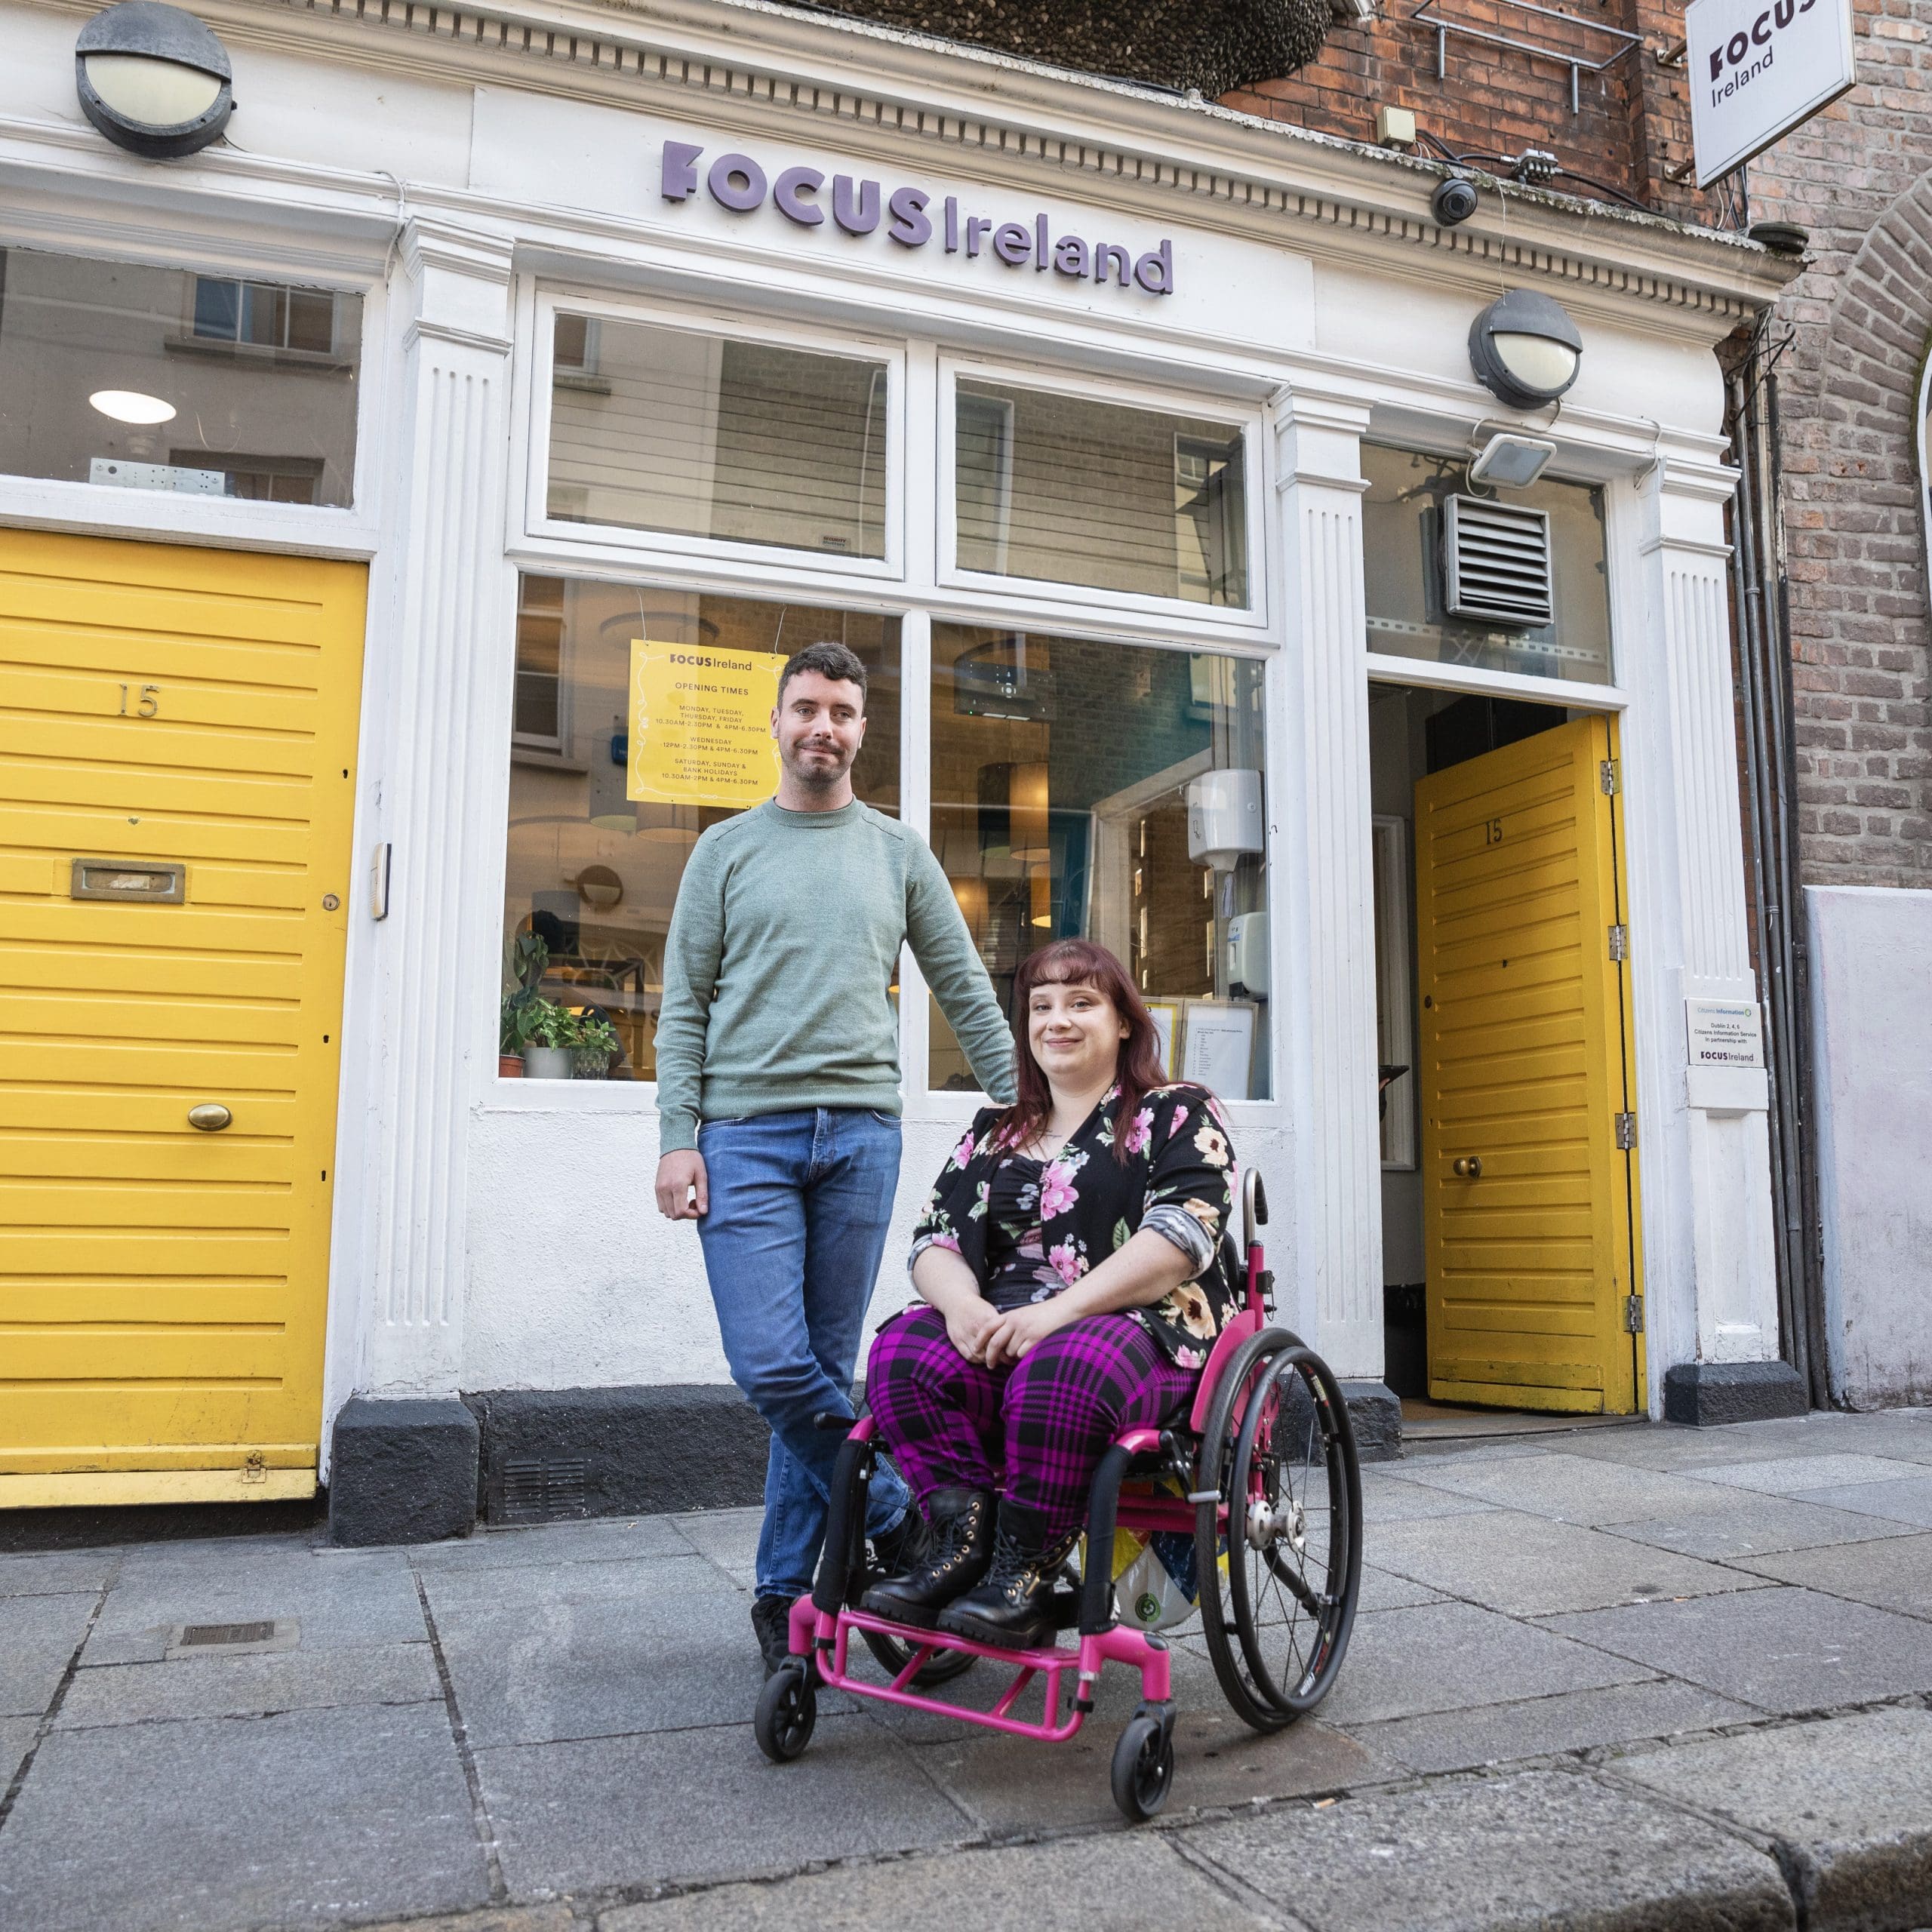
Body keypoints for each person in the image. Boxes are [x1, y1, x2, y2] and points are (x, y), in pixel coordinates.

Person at [653, 640, 1017, 1675]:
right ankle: (905, 1530)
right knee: (774, 1365)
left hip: (860, 1135)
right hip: (746, 1137)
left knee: (815, 1369)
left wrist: (1032, 1108)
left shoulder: (897, 851)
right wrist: (678, 1136)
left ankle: (784, 1599)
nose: (824, 726)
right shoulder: (725, 850)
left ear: (863, 730)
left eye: (844, 712)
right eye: (807, 707)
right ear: (776, 721)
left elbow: (963, 986)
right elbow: (685, 1007)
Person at [861, 937, 1238, 1651]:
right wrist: (963, 1308)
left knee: (1061, 1368)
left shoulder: (1176, 1113)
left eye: (1081, 1002)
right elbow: (934, 1240)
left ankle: (1021, 1574)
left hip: (1138, 1328)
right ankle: (962, 1545)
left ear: (1124, 1021)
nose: (1057, 1021)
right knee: (902, 1353)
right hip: (1005, 1326)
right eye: (1041, 1006)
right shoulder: (995, 1130)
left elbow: (1182, 1236)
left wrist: (1055, 1314)